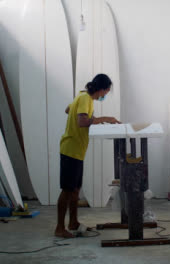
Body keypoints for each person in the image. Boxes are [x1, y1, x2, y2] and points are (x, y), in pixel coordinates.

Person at [55, 73, 121, 238]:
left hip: (77, 150)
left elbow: (68, 109)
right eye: (106, 92)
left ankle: (73, 222)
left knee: (76, 189)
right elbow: (82, 122)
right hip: (71, 149)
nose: (105, 95)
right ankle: (59, 228)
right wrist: (105, 118)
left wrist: (97, 119)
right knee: (67, 190)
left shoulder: (82, 96)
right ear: (102, 89)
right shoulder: (86, 99)